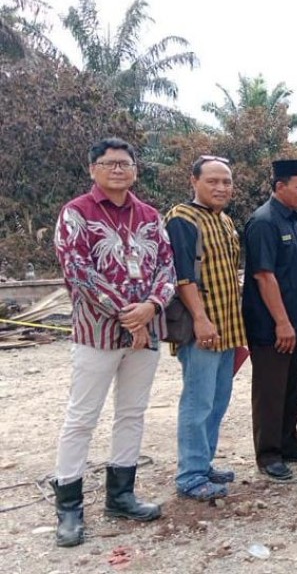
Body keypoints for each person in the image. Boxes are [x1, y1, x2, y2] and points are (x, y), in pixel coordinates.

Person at [51, 137, 175, 547]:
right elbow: (79, 273)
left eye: (125, 163)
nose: (118, 169)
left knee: (132, 413)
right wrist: (128, 315)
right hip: (97, 333)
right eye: (109, 163)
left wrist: (151, 308)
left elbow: (167, 268)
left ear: (135, 170)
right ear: (93, 169)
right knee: (82, 417)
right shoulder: (76, 213)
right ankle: (69, 507)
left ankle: (121, 496)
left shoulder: (150, 216)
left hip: (147, 330)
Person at [165, 155, 246, 500]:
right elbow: (182, 275)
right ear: (194, 181)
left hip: (228, 326)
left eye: (226, 182)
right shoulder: (182, 218)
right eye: (212, 181)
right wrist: (200, 318)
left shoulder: (224, 220)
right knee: (197, 402)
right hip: (203, 327)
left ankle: (204, 462)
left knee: (217, 400)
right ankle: (191, 475)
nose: (221, 187)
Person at [242, 158, 297, 480]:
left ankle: (288, 444)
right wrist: (282, 322)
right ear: (279, 187)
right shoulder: (264, 222)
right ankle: (269, 454)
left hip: (294, 323)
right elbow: (264, 276)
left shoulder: (295, 221)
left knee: (290, 387)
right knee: (270, 391)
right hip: (272, 326)